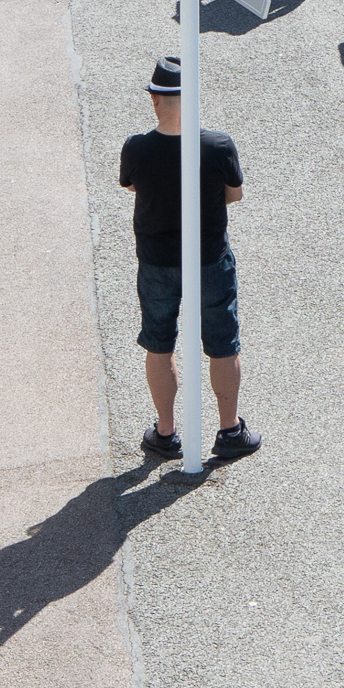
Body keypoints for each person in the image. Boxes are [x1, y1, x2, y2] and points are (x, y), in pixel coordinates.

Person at [117, 55, 257, 462]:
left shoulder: (137, 148)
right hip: (210, 259)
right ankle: (229, 430)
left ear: (154, 100)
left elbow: (132, 187)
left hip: (157, 262)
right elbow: (234, 195)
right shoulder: (217, 146)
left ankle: (165, 433)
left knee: (159, 344)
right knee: (223, 342)